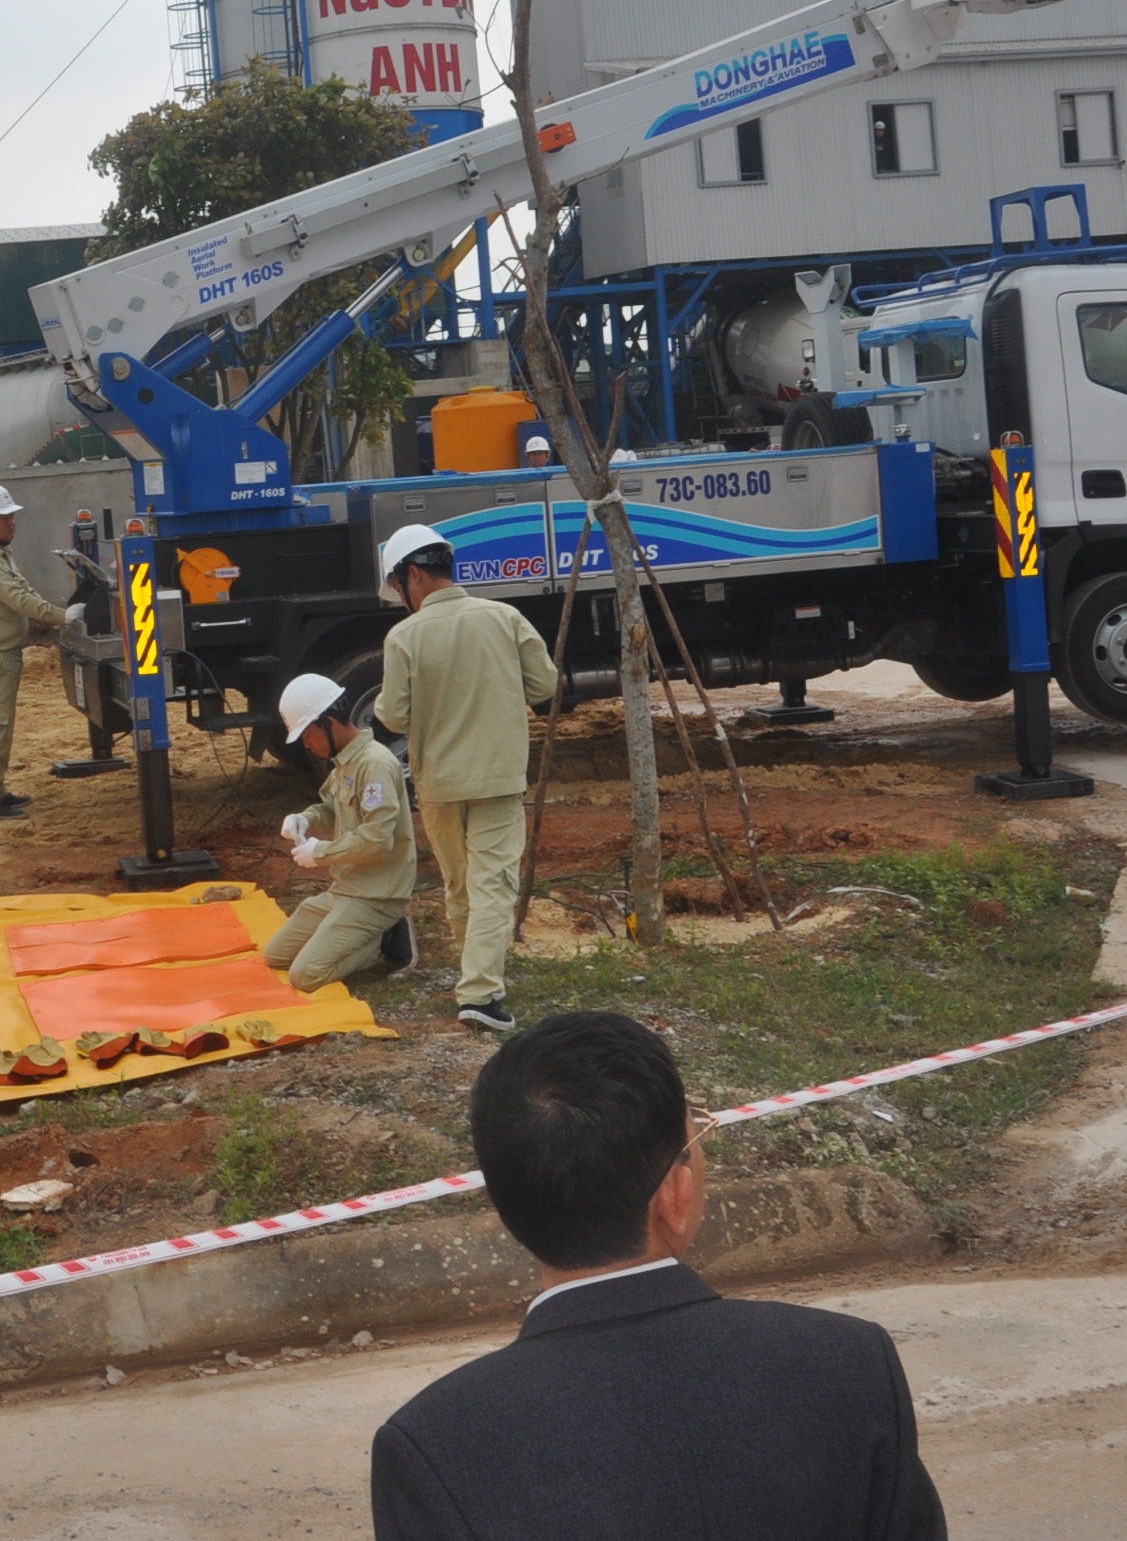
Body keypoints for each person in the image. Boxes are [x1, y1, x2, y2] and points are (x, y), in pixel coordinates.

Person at [371, 1011, 946, 1540]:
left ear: (504, 1200)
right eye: (696, 1141)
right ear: (674, 1194)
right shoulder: (847, 1364)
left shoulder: (433, 1444)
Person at [373, 522, 558, 1034]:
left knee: (459, 883)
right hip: (497, 777)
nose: (399, 597)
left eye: (397, 586)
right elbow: (545, 684)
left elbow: (391, 715)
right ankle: (480, 991)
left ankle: (473, 977)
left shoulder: (403, 636)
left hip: (438, 782)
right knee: (493, 883)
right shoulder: (505, 618)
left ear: (413, 574)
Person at [262, 672, 418, 989]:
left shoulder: (373, 764)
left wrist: (320, 852)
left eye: (308, 733)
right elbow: (332, 807)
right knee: (275, 956)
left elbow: (377, 839)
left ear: (330, 721)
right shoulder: (345, 761)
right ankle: (359, 932)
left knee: (305, 975)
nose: (306, 743)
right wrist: (304, 818)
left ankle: (383, 938)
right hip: (345, 889)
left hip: (376, 895)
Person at [0, 482, 83, 822]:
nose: (12, 523)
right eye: (3, 518)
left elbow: (23, 588)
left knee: (1, 725)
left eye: (12, 517)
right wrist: (61, 616)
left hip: (1, 654)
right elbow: (20, 599)